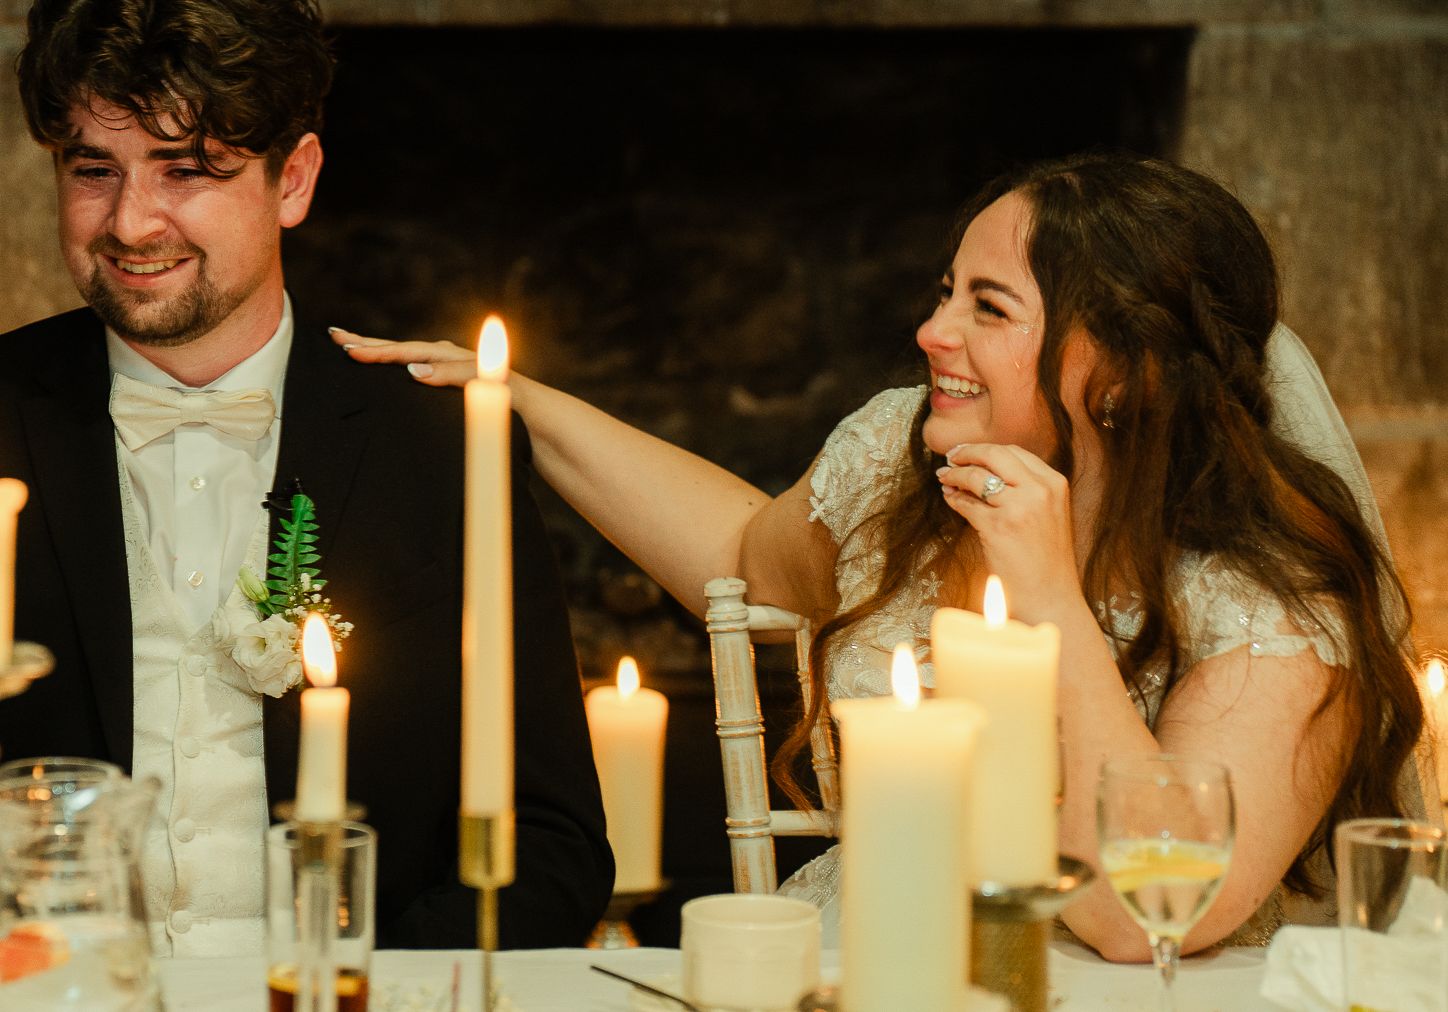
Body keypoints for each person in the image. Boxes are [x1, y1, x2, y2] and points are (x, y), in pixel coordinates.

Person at [335, 153, 1430, 957]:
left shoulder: (1278, 596)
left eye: (986, 306)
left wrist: (1047, 591)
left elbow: (1135, 913)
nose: (932, 332)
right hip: (870, 956)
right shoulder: (904, 476)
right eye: (942, 292)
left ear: (1123, 366)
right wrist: (508, 405)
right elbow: (738, 556)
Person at [0, 0, 613, 955]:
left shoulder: (439, 437)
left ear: (292, 179)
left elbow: (553, 845)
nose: (130, 221)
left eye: (186, 169)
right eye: (92, 169)